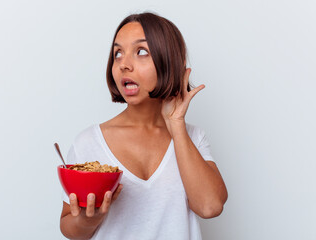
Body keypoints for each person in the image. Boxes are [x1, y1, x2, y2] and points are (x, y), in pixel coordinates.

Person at [60, 12, 228, 240]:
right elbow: (69, 228)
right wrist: (88, 220)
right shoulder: (88, 142)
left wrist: (176, 125)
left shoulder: (193, 137)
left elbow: (210, 207)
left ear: (168, 61)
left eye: (141, 52)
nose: (123, 65)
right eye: (117, 54)